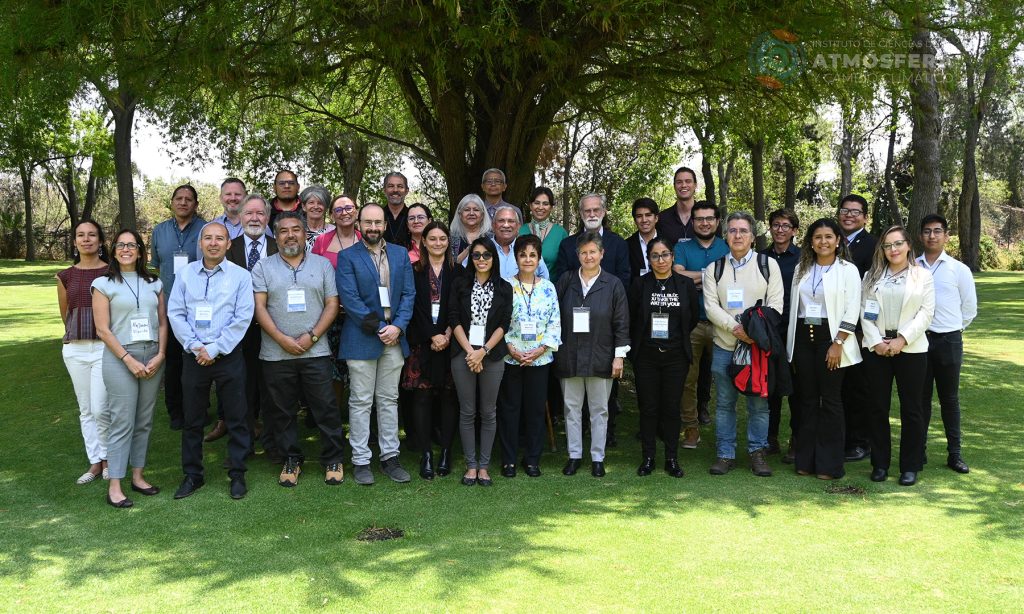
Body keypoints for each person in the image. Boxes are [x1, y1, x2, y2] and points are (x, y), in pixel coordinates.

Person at [252, 212, 345, 487]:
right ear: (276, 236)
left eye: (296, 230)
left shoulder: (323, 265)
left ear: (306, 235)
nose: (290, 235)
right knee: (282, 410)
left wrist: (313, 336)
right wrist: (281, 339)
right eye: (283, 231)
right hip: (275, 353)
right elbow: (259, 307)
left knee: (326, 407)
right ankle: (291, 459)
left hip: (315, 351)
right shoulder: (263, 267)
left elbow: (332, 304)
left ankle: (333, 458)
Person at [168, 222, 255, 500]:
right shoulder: (185, 274)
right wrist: (196, 347)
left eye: (220, 238)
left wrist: (215, 348)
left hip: (228, 356)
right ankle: (193, 475)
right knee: (193, 419)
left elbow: (243, 317)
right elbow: (176, 313)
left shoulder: (241, 277)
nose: (214, 243)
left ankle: (238, 473)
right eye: (208, 238)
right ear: (201, 243)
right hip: (194, 357)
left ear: (229, 244)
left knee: (237, 416)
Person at [336, 204, 416, 485]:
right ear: (359, 223)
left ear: (385, 225)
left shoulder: (399, 254)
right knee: (360, 401)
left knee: (388, 399)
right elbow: (351, 300)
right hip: (362, 338)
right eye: (368, 222)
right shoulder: (347, 257)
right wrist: (383, 328)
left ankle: (390, 457)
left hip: (394, 339)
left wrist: (398, 327)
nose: (373, 227)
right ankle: (360, 460)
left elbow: (408, 295)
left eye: (378, 223)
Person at [703, 212, 784, 477]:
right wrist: (735, 329)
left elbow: (776, 306)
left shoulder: (767, 265)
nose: (738, 236)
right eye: (733, 231)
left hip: (757, 350)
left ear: (752, 235)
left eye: (743, 231)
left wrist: (753, 332)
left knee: (759, 405)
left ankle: (757, 452)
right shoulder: (714, 268)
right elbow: (711, 307)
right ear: (725, 235)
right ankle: (725, 454)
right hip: (725, 347)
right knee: (725, 403)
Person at [92, 230, 167, 507]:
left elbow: (162, 323)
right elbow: (102, 329)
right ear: (113, 251)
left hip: (151, 356)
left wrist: (161, 353)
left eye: (131, 245)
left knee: (144, 420)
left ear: (139, 250)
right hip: (120, 357)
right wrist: (127, 359)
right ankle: (115, 485)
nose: (126, 249)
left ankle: (138, 476)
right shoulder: (103, 284)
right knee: (122, 420)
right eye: (120, 245)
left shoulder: (154, 283)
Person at [785, 218, 862, 480]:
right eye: (818, 237)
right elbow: (795, 309)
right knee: (806, 399)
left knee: (830, 400)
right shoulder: (801, 269)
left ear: (838, 240)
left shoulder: (847, 270)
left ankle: (830, 464)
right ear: (811, 242)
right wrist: (791, 349)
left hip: (832, 338)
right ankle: (806, 460)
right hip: (804, 338)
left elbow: (853, 307)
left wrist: (838, 342)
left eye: (829, 236)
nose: (823, 241)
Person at [553, 194, 630, 447]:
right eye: (587, 210)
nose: (592, 213)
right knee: (572, 406)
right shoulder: (566, 247)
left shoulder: (618, 244)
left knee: (602, 404)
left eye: (597, 209)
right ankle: (575, 452)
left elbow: (623, 286)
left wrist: (618, 351)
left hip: (603, 338)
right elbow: (558, 302)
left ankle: (602, 446)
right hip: (572, 344)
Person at [861, 226, 934, 486]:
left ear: (908, 245)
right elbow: (865, 314)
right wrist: (876, 342)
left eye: (898, 244)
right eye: (888, 245)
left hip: (911, 349)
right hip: (877, 349)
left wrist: (901, 339)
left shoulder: (922, 276)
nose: (893, 249)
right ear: (882, 249)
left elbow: (926, 313)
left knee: (912, 409)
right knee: (877, 407)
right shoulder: (872, 276)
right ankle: (880, 464)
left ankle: (910, 466)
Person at [628, 237, 698, 477]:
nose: (661, 260)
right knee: (648, 408)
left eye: (665, 254)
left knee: (670, 408)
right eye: (655, 255)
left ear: (673, 256)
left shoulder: (685, 285)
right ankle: (648, 457)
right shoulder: (639, 284)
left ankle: (671, 458)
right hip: (646, 356)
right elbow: (633, 317)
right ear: (649, 259)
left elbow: (693, 318)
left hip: (675, 356)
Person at [448, 238, 512, 486]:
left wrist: (482, 351)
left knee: (488, 412)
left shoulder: (505, 288)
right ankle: (471, 465)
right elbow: (454, 319)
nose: (482, 259)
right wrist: (470, 352)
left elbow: (504, 324)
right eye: (476, 255)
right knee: (467, 411)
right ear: (471, 258)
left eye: (487, 255)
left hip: (492, 355)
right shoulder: (460, 284)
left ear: (494, 258)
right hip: (463, 353)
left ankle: (484, 466)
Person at [498, 234, 562, 478]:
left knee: (535, 410)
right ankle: (509, 460)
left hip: (540, 359)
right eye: (523, 254)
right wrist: (509, 348)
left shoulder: (548, 287)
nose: (527, 259)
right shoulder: (504, 285)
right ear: (516, 258)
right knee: (510, 409)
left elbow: (555, 323)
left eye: (532, 255)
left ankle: (533, 459)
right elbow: (497, 322)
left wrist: (540, 350)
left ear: (539, 259)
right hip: (510, 357)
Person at [917, 214, 977, 474]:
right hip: (919, 341)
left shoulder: (958, 269)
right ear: (921, 236)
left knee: (949, 399)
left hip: (949, 340)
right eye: (927, 231)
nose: (932, 236)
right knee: (920, 399)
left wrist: (953, 328)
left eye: (937, 231)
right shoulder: (912, 266)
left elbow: (969, 308)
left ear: (946, 235)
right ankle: (918, 452)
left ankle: (955, 454)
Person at [401, 221, 460, 479]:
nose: (438, 243)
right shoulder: (412, 271)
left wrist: (447, 333)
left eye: (442, 238)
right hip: (421, 343)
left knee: (449, 397)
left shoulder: (459, 272)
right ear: (423, 241)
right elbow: (411, 307)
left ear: (448, 242)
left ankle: (446, 451)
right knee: (422, 398)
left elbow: (460, 307)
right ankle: (426, 453)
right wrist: (431, 335)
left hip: (451, 341)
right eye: (432, 238)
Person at [224, 194, 279, 456]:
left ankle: (272, 442)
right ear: (240, 217)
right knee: (241, 388)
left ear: (267, 218)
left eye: (259, 214)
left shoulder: (279, 245)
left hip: (273, 329)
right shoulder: (227, 248)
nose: (254, 218)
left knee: (271, 387)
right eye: (249, 213)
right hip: (238, 331)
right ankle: (243, 444)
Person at [672, 201, 729, 449]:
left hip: (723, 324)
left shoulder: (727, 247)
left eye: (709, 219)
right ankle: (691, 428)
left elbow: (730, 280)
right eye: (699, 219)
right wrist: (712, 276)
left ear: (717, 222)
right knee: (688, 379)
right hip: (692, 323)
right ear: (692, 222)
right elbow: (676, 275)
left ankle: (724, 434)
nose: (704, 223)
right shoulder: (682, 247)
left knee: (725, 376)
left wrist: (696, 276)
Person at [57, 219, 110, 484]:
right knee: (86, 408)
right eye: (81, 235)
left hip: (104, 348)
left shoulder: (113, 272)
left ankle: (110, 458)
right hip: (75, 350)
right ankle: (95, 462)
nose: (86, 239)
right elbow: (65, 314)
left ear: (100, 241)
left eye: (92, 235)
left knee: (101, 408)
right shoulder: (65, 276)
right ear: (75, 241)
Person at [150, 184, 206, 430]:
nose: (183, 202)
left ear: (195, 204)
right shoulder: (159, 231)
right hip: (168, 306)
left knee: (197, 362)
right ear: (172, 202)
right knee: (172, 362)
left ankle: (199, 410)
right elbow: (155, 266)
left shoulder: (205, 229)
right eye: (179, 198)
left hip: (199, 307)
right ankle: (175, 411)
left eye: (188, 199)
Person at [759, 208, 801, 461]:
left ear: (794, 230)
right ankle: (769, 438)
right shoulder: (761, 258)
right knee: (771, 387)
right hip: (770, 330)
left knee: (797, 388)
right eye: (776, 225)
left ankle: (796, 440)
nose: (780, 230)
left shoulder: (804, 258)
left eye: (786, 226)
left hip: (795, 328)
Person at [838, 194, 877, 463]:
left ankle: (860, 442)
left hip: (861, 329)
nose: (849, 215)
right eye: (844, 210)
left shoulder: (873, 246)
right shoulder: (831, 240)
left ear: (865, 217)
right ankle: (839, 437)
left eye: (855, 212)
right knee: (837, 388)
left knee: (858, 388)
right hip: (833, 325)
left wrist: (864, 327)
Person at [492, 204, 550, 279]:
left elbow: (545, 281)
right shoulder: (485, 248)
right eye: (501, 221)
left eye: (511, 221)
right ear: (493, 225)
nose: (506, 225)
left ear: (518, 226)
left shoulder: (529, 249)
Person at [519, 186, 568, 272]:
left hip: (553, 284)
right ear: (530, 205)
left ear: (551, 208)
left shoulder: (560, 233)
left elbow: (565, 266)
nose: (540, 207)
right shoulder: (520, 231)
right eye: (537, 203)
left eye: (545, 204)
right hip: (522, 284)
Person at [312, 195, 361, 268]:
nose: (344, 213)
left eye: (349, 208)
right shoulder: (321, 240)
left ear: (356, 213)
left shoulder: (365, 239)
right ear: (332, 216)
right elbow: (313, 271)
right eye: (338, 210)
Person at [656, 166, 698, 245]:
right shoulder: (662, 219)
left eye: (688, 181)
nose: (683, 185)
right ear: (674, 186)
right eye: (679, 182)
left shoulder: (708, 217)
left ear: (695, 185)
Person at [450, 194, 493, 265]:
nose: (471, 213)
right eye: (467, 210)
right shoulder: (451, 237)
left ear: (482, 215)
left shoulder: (492, 237)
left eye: (476, 210)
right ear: (460, 214)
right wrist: (469, 249)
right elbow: (449, 265)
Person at [626, 198, 659, 278]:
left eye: (648, 215)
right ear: (635, 220)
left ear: (656, 218)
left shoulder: (668, 241)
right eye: (639, 216)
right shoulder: (626, 245)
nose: (644, 220)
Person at [300, 185, 334, 250]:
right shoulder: (296, 230)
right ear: (304, 207)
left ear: (326, 207)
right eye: (311, 202)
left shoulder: (334, 231)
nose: (316, 206)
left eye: (320, 203)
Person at [382, 172, 411, 245]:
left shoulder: (413, 216)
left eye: (400, 186)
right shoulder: (377, 215)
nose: (395, 190)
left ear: (406, 191)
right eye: (391, 186)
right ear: (384, 190)